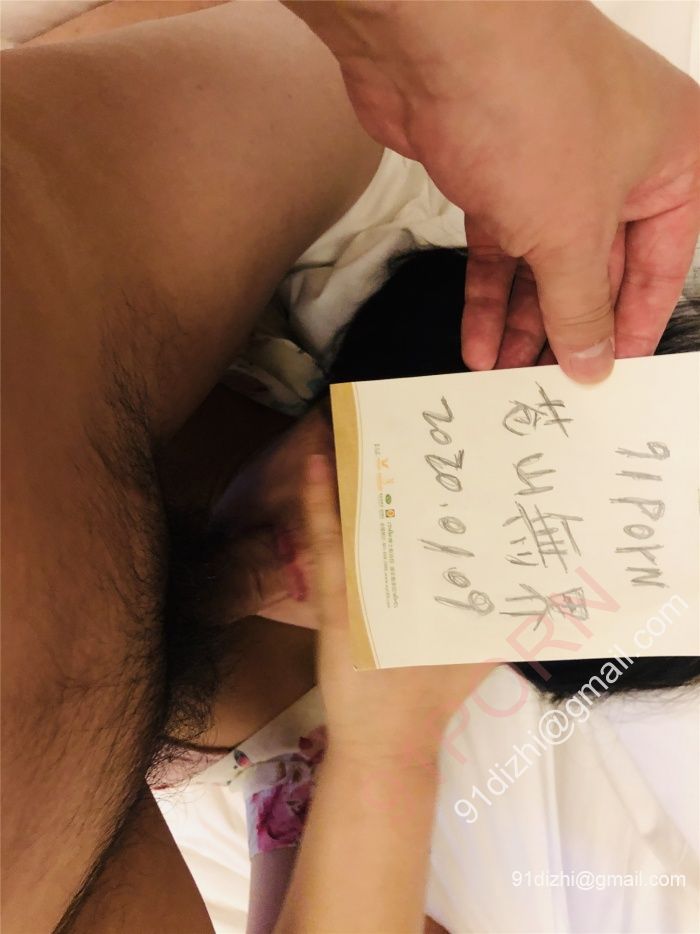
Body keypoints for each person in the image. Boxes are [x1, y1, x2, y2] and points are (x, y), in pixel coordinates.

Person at [2, 1, 698, 931]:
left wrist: (388, 751)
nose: (376, 539)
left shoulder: (335, 768)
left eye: (493, 554)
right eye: (438, 468)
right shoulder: (174, 289)